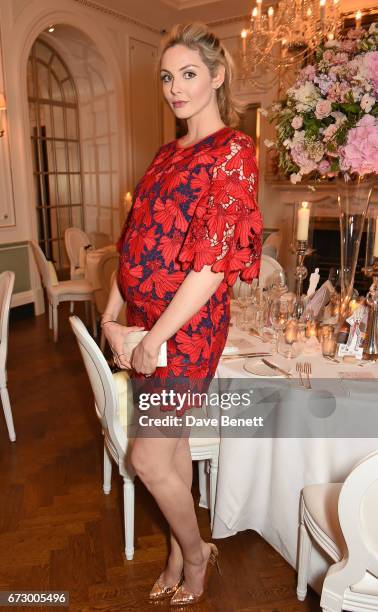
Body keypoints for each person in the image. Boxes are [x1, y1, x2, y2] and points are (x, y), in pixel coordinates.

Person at [101, 22, 262, 607]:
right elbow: (134, 236)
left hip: (186, 330)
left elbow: (215, 261)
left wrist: (153, 338)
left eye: (188, 74)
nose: (175, 88)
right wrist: (115, 314)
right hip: (144, 323)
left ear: (217, 76)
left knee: (146, 456)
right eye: (168, 77)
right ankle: (177, 545)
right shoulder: (168, 152)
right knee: (170, 450)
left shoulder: (235, 151)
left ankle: (197, 553)